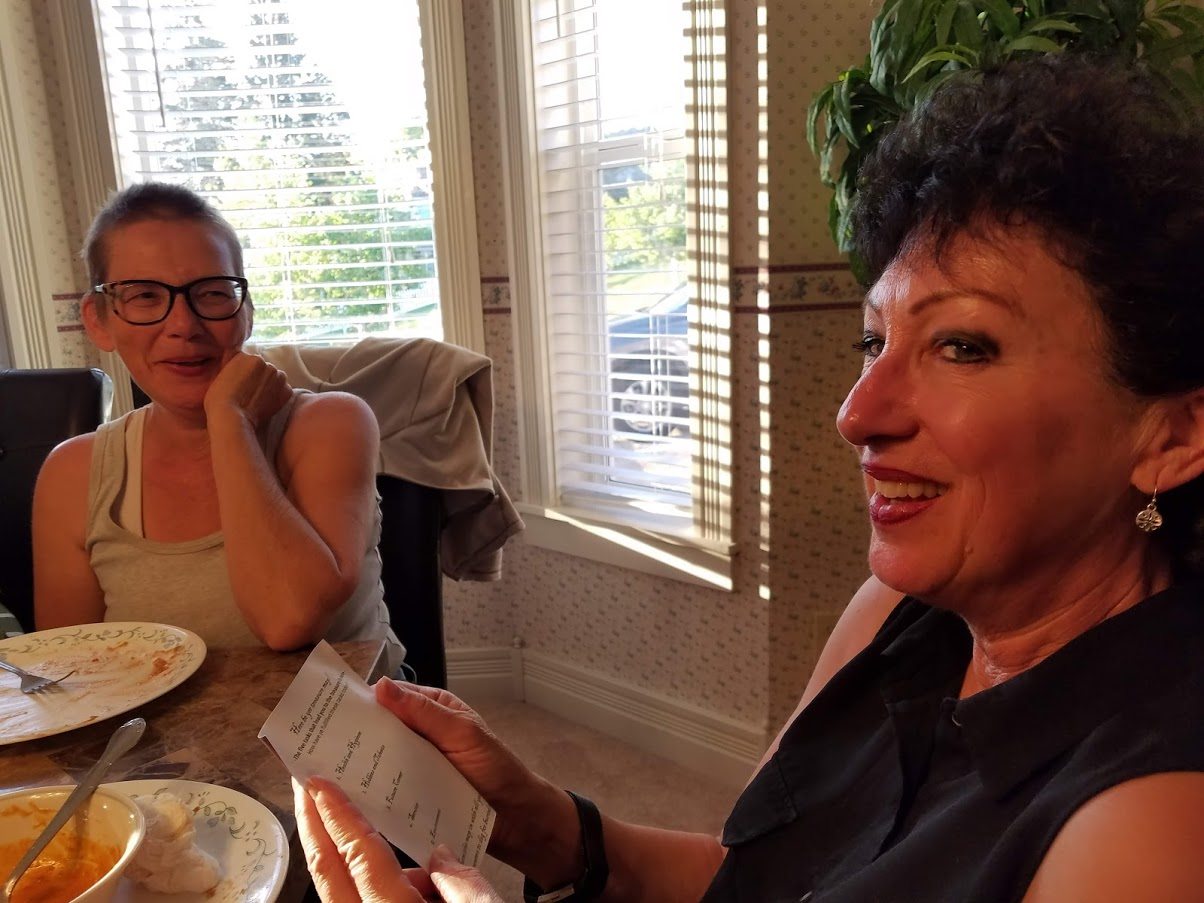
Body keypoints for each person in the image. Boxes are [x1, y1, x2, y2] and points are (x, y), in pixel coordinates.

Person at [295, 53, 1204, 902]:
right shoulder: (896, 613)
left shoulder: (1153, 822)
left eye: (962, 345)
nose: (857, 413)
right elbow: (751, 877)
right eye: (874, 342)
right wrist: (543, 823)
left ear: (1173, 435)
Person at [32, 182, 403, 673]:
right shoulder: (72, 474)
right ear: (98, 320)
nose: (183, 325)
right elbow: (68, 675)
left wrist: (229, 420)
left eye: (211, 293)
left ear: (245, 312)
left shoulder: (332, 423)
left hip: (346, 721)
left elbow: (289, 619)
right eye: (145, 296)